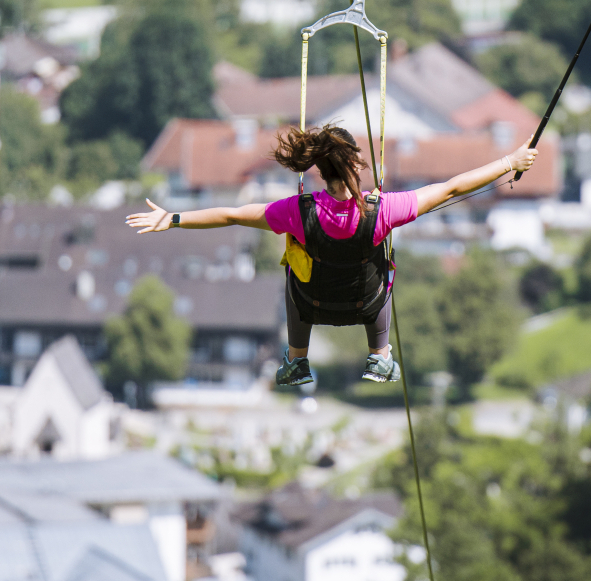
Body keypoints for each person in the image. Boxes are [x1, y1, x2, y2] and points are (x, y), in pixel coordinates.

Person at [127, 125, 537, 387]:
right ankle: (379, 356)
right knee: (384, 276)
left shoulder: (297, 212)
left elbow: (233, 214)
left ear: (320, 171)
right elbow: (451, 188)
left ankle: (298, 359)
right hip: (366, 304)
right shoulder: (382, 210)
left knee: (293, 275)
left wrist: (174, 218)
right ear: (357, 163)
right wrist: (509, 162)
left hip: (313, 304)